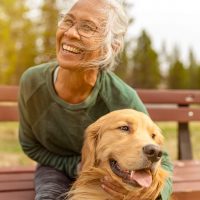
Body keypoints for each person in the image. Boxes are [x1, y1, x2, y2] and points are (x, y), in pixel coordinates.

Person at [18, 0, 173, 199]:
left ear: (113, 46)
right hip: (54, 166)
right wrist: (76, 166)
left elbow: (163, 159)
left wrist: (149, 192)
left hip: (105, 173)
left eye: (87, 27)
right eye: (67, 22)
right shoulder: (32, 82)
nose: (71, 33)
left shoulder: (121, 97)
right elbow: (30, 145)